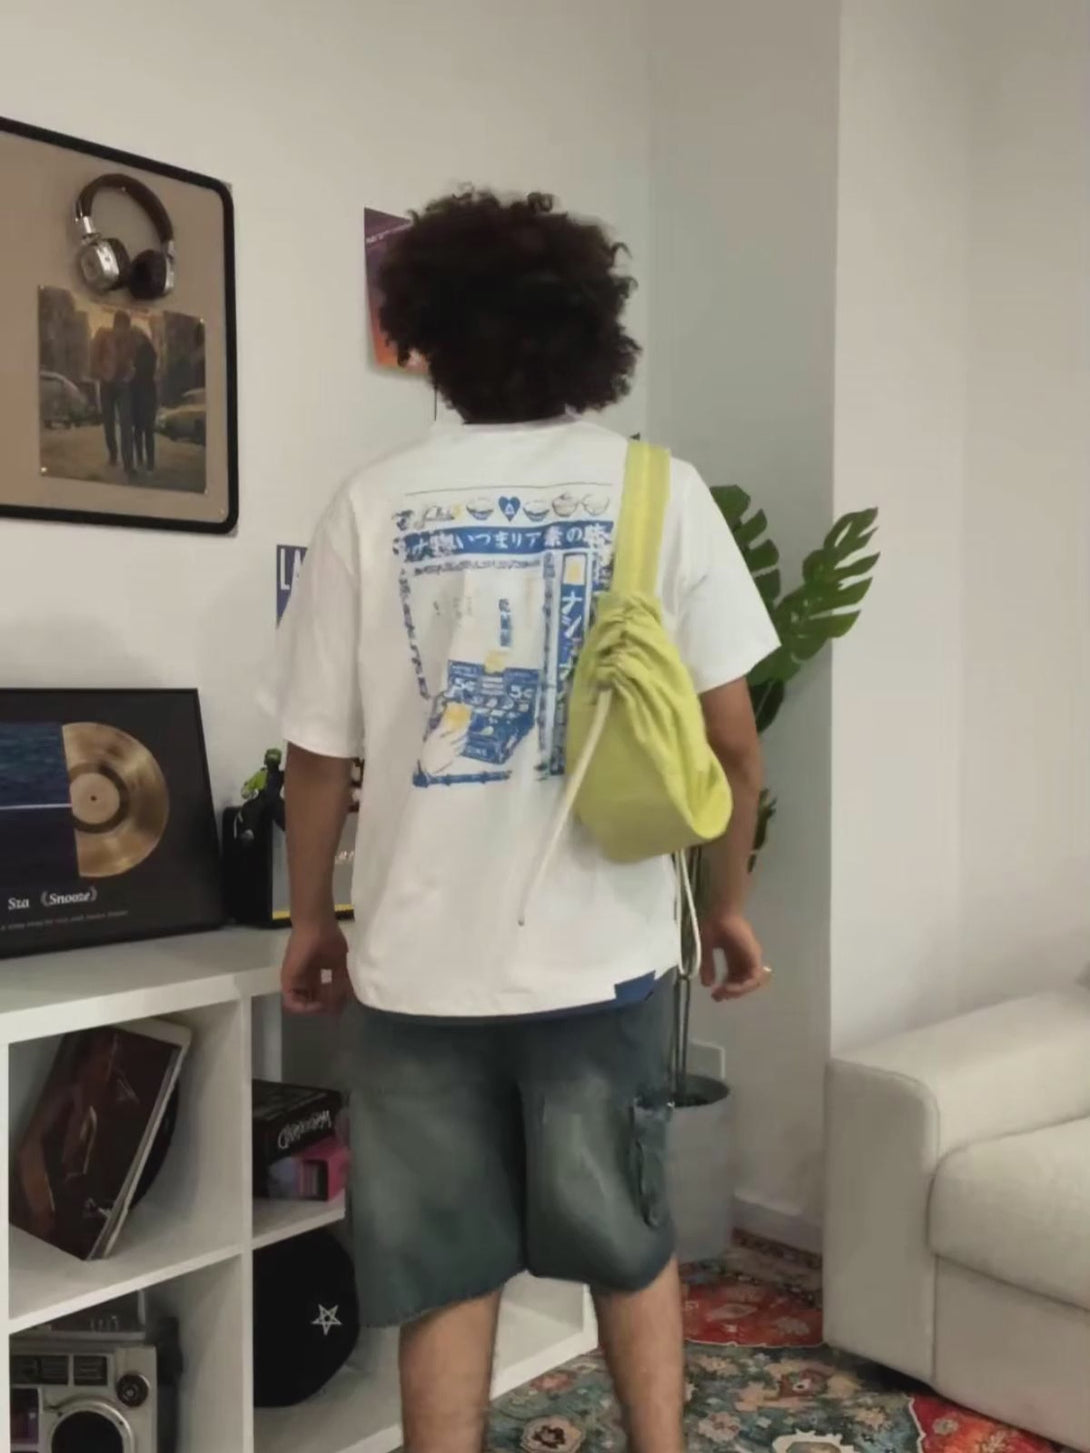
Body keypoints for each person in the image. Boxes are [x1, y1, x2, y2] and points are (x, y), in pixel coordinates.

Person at [272, 190, 778, 1453]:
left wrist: (310, 920)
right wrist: (723, 905)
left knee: (442, 1270)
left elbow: (318, 758)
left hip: (415, 963)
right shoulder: (659, 493)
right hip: (599, 956)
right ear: (590, 333)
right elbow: (731, 743)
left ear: (428, 334)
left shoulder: (369, 503)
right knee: (627, 1242)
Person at [89, 310, 137, 479]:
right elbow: (94, 357)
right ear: (116, 326)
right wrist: (101, 373)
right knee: (108, 423)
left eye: (127, 328)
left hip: (122, 385)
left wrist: (129, 375)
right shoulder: (103, 335)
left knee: (126, 424)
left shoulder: (129, 340)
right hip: (107, 384)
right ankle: (113, 454)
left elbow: (132, 361)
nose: (125, 331)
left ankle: (129, 464)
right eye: (123, 327)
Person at [131, 328, 158, 473]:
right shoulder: (145, 351)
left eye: (136, 337)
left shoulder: (146, 351)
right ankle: (145, 461)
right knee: (143, 431)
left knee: (144, 430)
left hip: (144, 394)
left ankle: (147, 462)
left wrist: (133, 368)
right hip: (143, 394)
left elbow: (143, 371)